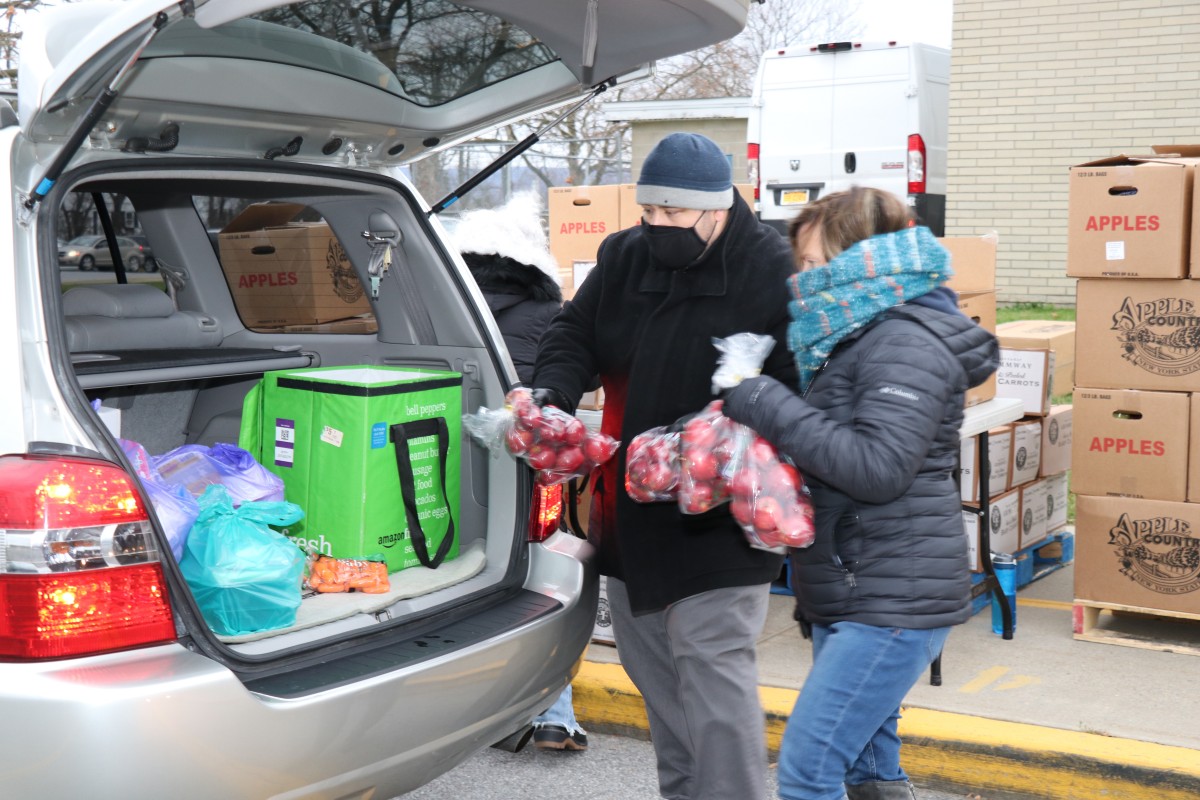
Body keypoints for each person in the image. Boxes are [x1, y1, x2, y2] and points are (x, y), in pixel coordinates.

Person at [531, 132, 799, 799]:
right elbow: (574, 333)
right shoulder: (626, 256)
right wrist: (552, 399)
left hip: (719, 526)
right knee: (663, 696)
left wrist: (719, 438)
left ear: (717, 209)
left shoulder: (771, 269)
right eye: (649, 210)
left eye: (674, 214)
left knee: (715, 697)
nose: (657, 226)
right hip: (627, 519)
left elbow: (802, 391)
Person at [719, 187, 1000, 800]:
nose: (803, 281)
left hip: (891, 598)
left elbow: (878, 468)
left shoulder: (903, 342)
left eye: (816, 266)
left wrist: (764, 400)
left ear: (863, 260)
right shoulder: (857, 330)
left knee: (807, 769)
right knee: (867, 771)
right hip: (857, 582)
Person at [451, 195, 588, 752]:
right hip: (521, 473)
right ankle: (553, 713)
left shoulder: (443, 307)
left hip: (437, 467)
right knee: (533, 580)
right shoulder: (549, 316)